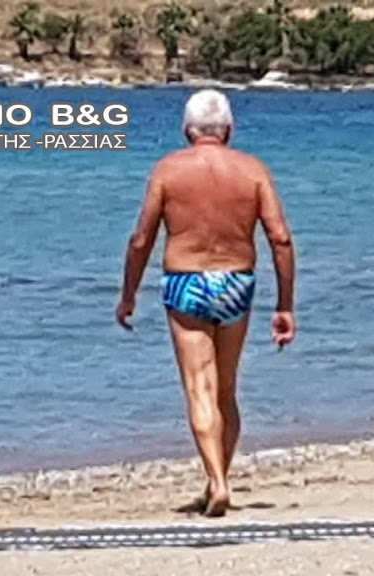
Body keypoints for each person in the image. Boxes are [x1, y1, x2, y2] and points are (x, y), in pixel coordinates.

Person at [116, 88, 297, 517]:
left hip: (186, 282)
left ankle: (217, 482)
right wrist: (285, 304)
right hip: (236, 281)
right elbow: (280, 238)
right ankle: (219, 479)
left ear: (187, 131)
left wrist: (128, 295)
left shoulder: (168, 170)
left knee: (200, 387)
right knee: (226, 390)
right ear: (229, 130)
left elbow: (141, 239)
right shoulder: (252, 170)